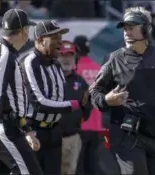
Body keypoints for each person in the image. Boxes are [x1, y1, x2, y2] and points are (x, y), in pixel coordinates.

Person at [90, 6, 155, 175]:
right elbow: (95, 92)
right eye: (125, 29)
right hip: (127, 133)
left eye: (132, 28)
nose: (127, 32)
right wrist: (106, 100)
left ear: (146, 29)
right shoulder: (113, 59)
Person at [21, 21, 89, 175]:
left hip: (54, 132)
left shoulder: (56, 65)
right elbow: (39, 102)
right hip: (34, 131)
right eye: (54, 37)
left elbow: (59, 97)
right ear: (39, 39)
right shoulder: (30, 61)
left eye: (60, 36)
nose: (60, 41)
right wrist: (76, 105)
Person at [0, 9, 43, 175]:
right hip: (4, 129)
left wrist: (26, 130)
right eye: (28, 29)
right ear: (24, 31)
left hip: (7, 126)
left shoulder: (1, 51)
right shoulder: (4, 54)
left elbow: (10, 103)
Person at [58, 40, 92, 175]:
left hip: (72, 137)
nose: (67, 59)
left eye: (70, 56)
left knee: (69, 171)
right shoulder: (49, 78)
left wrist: (76, 121)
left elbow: (87, 106)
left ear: (75, 58)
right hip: (50, 136)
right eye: (63, 55)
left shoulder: (81, 82)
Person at [73, 35, 102, 174]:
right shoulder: (98, 68)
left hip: (80, 124)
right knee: (92, 164)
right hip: (97, 125)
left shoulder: (75, 70)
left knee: (77, 165)